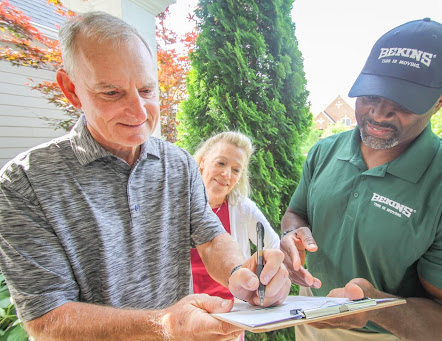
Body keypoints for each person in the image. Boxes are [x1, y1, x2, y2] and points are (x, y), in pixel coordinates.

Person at [0, 12, 290, 340]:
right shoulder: (24, 183)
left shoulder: (179, 163)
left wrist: (241, 273)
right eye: (112, 93)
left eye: (147, 90)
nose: (139, 113)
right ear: (71, 89)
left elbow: (210, 237)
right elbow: (45, 319)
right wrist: (163, 325)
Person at [280, 18, 442, 341]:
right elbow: (297, 213)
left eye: (403, 101)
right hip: (306, 324)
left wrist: (374, 307)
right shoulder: (324, 152)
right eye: (370, 94)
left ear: (441, 100)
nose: (379, 113)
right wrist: (292, 235)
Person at [190, 132, 281, 300]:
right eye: (221, 163)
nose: (227, 174)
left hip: (233, 313)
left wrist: (262, 278)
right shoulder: (179, 204)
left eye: (236, 169)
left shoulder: (242, 208)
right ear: (203, 161)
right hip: (187, 311)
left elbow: (273, 244)